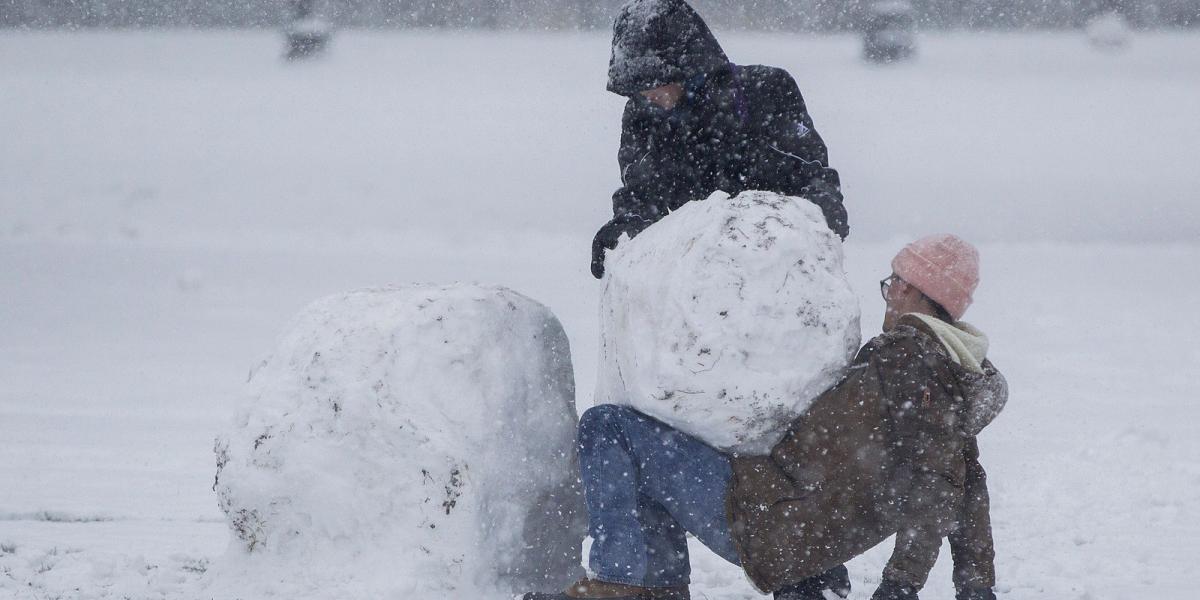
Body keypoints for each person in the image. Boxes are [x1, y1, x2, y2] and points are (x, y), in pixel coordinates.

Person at [524, 234, 1007, 600]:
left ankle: (617, 583)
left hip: (770, 518)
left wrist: (901, 584)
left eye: (895, 283)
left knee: (610, 429)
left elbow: (937, 483)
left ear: (915, 291)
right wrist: (975, 587)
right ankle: (654, 589)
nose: (888, 293)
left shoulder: (910, 359)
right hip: (801, 532)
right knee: (649, 459)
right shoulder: (947, 374)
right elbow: (967, 482)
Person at [590, 0, 848, 279]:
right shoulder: (642, 116)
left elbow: (810, 174)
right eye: (637, 89)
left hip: (778, 269)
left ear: (685, 63)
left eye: (655, 83)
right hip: (697, 279)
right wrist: (629, 227)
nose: (648, 95)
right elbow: (642, 194)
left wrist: (820, 212)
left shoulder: (764, 92)